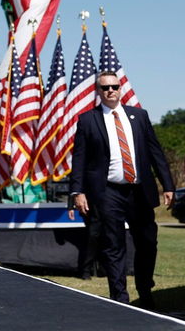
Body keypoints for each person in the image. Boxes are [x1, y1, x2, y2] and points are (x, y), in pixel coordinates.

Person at [68, 72, 174, 308]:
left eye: (114, 86)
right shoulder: (88, 120)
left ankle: (145, 291)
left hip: (139, 191)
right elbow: (80, 158)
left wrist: (168, 185)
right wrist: (77, 191)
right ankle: (120, 298)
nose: (110, 91)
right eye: (105, 88)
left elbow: (155, 152)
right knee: (113, 244)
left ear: (120, 88)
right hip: (107, 191)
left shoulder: (139, 116)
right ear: (98, 91)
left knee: (147, 242)